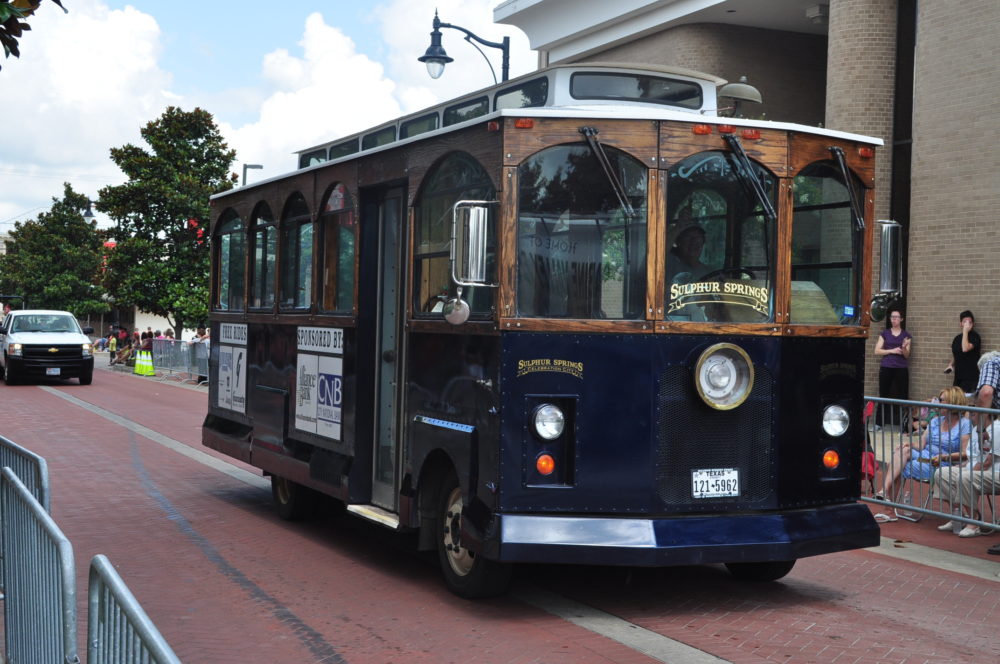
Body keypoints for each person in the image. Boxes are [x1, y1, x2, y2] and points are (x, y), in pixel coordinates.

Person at [876, 386, 971, 504]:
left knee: (895, 465)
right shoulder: (936, 420)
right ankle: (884, 490)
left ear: (953, 402)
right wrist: (908, 444)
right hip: (924, 456)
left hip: (939, 462)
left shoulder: (964, 424)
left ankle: (889, 509)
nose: (938, 403)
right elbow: (921, 444)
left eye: (941, 400)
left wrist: (944, 457)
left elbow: (965, 453)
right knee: (902, 451)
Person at [933, 415, 996, 538]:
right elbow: (972, 458)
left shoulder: (997, 429)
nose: (969, 412)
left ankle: (974, 522)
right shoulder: (975, 429)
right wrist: (960, 467)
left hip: (994, 472)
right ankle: (958, 517)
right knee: (942, 473)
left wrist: (966, 472)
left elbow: (987, 462)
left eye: (974, 408)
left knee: (965, 477)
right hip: (975, 470)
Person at [874, 309, 912, 427]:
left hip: (901, 368)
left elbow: (906, 355)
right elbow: (877, 351)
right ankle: (879, 423)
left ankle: (903, 425)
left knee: (903, 395)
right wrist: (892, 350)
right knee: (883, 394)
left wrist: (904, 347)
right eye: (892, 317)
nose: (894, 319)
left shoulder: (906, 335)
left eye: (896, 317)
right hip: (886, 366)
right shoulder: (884, 333)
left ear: (901, 319)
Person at [944, 310, 981, 394]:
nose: (967, 324)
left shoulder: (975, 337)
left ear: (973, 324)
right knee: (956, 402)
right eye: (965, 322)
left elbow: (965, 348)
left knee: (967, 404)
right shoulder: (957, 338)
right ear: (961, 323)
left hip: (971, 379)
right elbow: (957, 353)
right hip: (958, 378)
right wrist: (951, 364)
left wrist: (965, 331)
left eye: (970, 322)